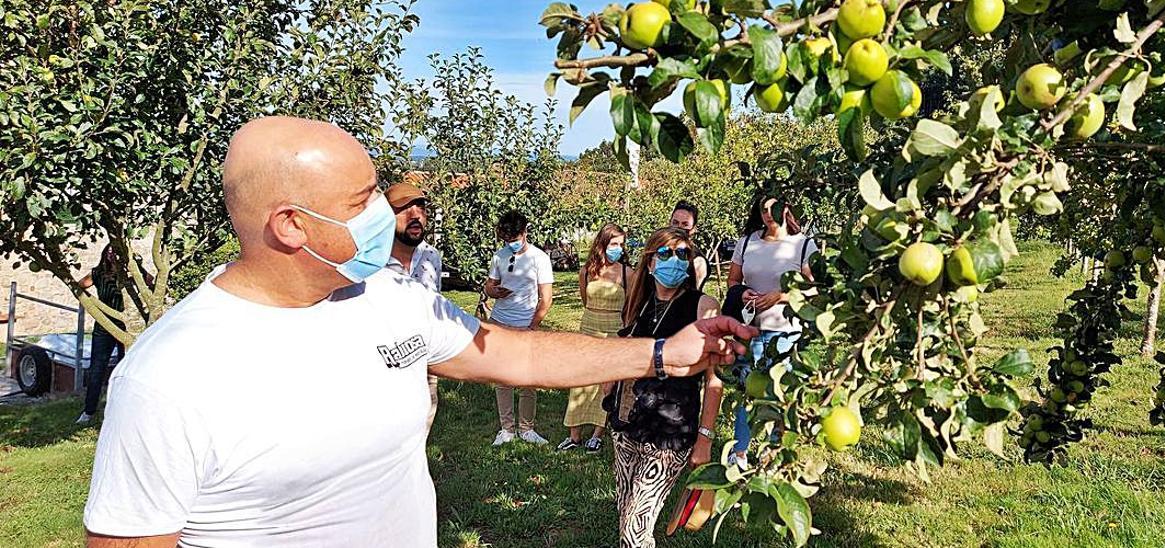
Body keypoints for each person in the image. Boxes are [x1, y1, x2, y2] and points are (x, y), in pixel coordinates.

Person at [82, 116, 755, 548]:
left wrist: (664, 351)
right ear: (290, 225)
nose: (387, 212)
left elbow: (512, 352)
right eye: (362, 200)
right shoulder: (172, 378)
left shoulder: (388, 298)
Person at [605, 227, 724, 548]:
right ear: (650, 262)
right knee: (628, 514)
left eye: (683, 253)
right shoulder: (638, 302)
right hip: (627, 421)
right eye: (665, 253)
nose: (675, 260)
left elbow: (715, 380)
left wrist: (705, 440)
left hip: (670, 431)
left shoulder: (703, 307)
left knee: (634, 525)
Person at [727, 194, 815, 467]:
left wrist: (781, 296)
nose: (768, 214)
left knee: (780, 395)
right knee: (747, 389)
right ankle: (739, 451)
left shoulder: (802, 245)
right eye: (762, 209)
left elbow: (814, 290)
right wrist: (742, 294)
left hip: (785, 332)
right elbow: (732, 280)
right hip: (750, 328)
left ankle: (774, 451)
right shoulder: (747, 242)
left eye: (773, 208)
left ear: (787, 208)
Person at [484, 210, 554, 446]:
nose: (510, 243)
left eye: (514, 238)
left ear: (525, 232)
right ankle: (507, 429)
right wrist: (494, 291)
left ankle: (527, 428)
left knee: (528, 379)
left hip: (526, 324)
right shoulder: (499, 256)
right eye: (506, 239)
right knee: (502, 378)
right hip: (500, 322)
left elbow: (546, 298)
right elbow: (489, 286)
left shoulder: (539, 258)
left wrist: (532, 326)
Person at [557, 223, 627, 453]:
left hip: (613, 332)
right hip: (588, 329)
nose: (618, 248)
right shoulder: (587, 271)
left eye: (621, 244)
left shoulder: (629, 273)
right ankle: (574, 435)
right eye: (614, 243)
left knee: (605, 385)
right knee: (580, 381)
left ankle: (597, 434)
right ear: (602, 244)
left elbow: (631, 307)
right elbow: (585, 301)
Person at [383, 182, 445, 439]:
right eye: (404, 209)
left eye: (420, 208)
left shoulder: (431, 256)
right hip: (383, 358)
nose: (415, 215)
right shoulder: (371, 259)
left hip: (424, 356)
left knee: (424, 416)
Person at [75, 246, 127, 425]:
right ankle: (89, 411)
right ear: (104, 254)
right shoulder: (97, 273)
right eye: (110, 252)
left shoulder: (128, 272)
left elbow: (150, 282)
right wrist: (92, 304)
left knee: (125, 367)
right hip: (104, 326)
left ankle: (121, 409)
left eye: (116, 253)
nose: (113, 256)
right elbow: (80, 286)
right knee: (97, 368)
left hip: (126, 326)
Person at [669, 200, 709, 289]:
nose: (679, 228)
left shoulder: (698, 261)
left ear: (693, 229)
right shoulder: (659, 250)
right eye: (675, 223)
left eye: (685, 224)